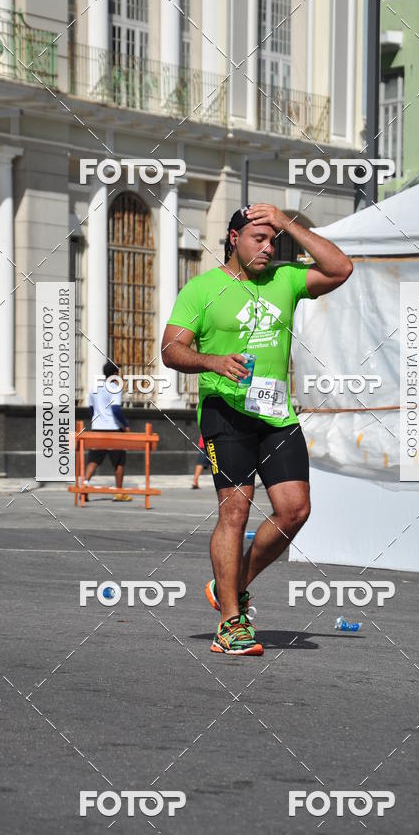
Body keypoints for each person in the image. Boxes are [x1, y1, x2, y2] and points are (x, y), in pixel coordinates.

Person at [161, 204, 353, 655]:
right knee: (236, 511)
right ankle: (231, 622)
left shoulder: (285, 280)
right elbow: (171, 350)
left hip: (276, 415)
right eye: (257, 239)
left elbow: (340, 267)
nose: (268, 248)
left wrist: (289, 224)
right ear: (233, 238)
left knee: (295, 511)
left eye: (273, 241)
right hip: (225, 413)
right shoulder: (202, 289)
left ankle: (232, 582)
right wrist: (212, 361)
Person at [85, 360, 133, 502]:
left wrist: (97, 420)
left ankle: (84, 488)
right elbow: (116, 409)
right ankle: (118, 493)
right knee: (119, 461)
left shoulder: (94, 387)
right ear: (114, 374)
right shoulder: (115, 387)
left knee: (94, 459)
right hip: (113, 429)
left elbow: (91, 409)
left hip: (97, 428)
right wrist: (125, 425)